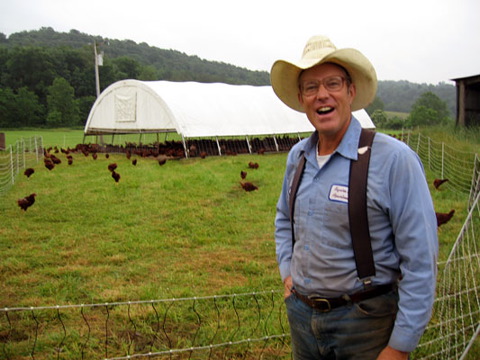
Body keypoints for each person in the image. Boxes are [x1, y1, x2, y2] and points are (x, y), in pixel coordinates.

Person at [271, 35, 438, 360]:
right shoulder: (298, 157)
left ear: (351, 91)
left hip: (364, 323)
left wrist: (400, 345)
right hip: (302, 318)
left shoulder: (393, 160)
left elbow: (420, 260)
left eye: (333, 83)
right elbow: (283, 219)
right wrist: (287, 272)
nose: (322, 95)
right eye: (310, 87)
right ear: (302, 98)